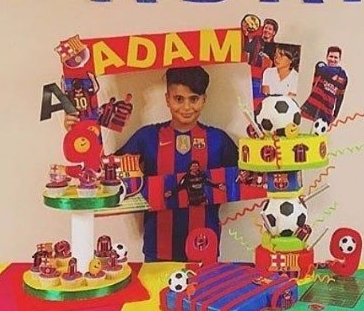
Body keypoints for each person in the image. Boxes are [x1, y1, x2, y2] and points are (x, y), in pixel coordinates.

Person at [65, 67, 238, 262]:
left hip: (204, 244)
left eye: (194, 99)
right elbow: (103, 171)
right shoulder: (147, 137)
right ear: (167, 99)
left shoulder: (218, 140)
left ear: (204, 99)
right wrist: (80, 132)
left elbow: (249, 176)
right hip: (157, 247)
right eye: (178, 99)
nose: (186, 107)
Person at [300, 46, 348, 124]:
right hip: (309, 110)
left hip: (326, 115)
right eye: (331, 56)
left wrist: (335, 114)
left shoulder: (344, 78)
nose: (333, 59)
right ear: (326, 57)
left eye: (336, 57)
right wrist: (338, 72)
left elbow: (340, 97)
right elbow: (326, 71)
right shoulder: (320, 65)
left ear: (339, 59)